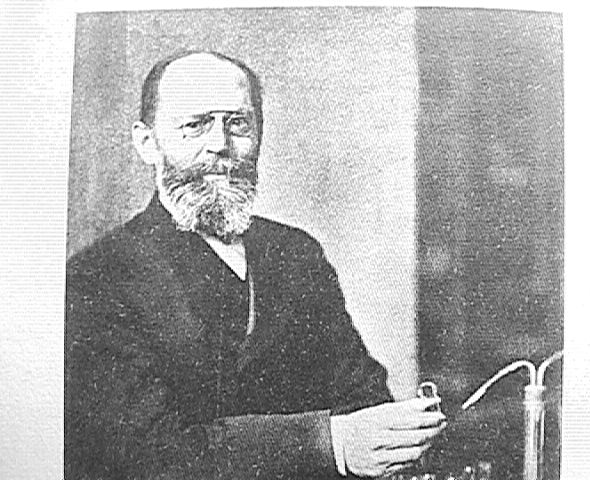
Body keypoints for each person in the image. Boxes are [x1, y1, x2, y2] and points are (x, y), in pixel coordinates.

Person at [65, 50, 447, 480]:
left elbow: (362, 396)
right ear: (147, 143)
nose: (220, 145)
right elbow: (146, 456)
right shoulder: (98, 278)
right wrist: (331, 443)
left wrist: (396, 434)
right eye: (195, 125)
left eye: (238, 124)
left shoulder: (296, 254)